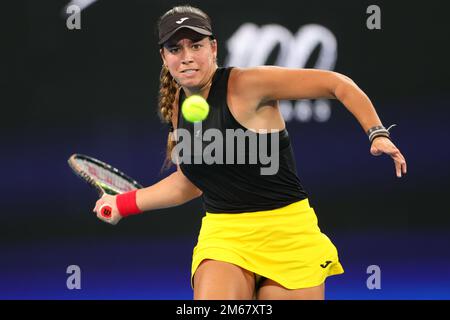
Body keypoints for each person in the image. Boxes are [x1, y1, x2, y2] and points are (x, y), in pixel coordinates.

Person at [93, 5, 407, 300]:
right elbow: (188, 182)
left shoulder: (249, 84)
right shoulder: (178, 107)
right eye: (176, 49)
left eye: (196, 46)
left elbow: (336, 84)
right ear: (164, 57)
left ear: (213, 48)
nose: (187, 57)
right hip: (224, 234)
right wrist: (123, 204)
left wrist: (376, 133)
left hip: (288, 232)